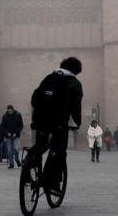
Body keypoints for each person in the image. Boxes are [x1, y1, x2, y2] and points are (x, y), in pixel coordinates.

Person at [31, 56, 83, 193]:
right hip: (58, 122)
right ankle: (52, 182)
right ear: (76, 70)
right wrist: (77, 122)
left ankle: (30, 162)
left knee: (40, 145)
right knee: (59, 149)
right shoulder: (74, 83)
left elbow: (35, 97)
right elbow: (76, 106)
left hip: (39, 118)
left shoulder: (49, 77)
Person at [1, 104, 24, 169]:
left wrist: (16, 133)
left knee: (16, 148)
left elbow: (21, 125)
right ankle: (11, 164)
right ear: (7, 110)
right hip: (8, 136)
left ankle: (17, 159)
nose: (10, 111)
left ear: (13, 109)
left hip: (16, 136)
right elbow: (3, 127)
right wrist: (6, 133)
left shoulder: (18, 115)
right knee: (9, 150)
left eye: (11, 110)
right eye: (9, 110)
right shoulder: (5, 116)